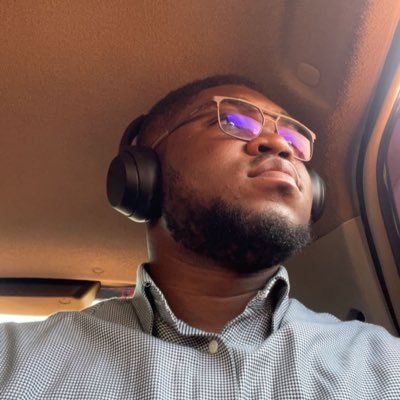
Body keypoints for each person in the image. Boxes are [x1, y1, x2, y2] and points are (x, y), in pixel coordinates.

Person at [1, 75, 399, 399]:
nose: (280, 144)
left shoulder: (381, 362)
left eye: (295, 142)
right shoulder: (13, 361)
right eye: (235, 122)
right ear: (145, 174)